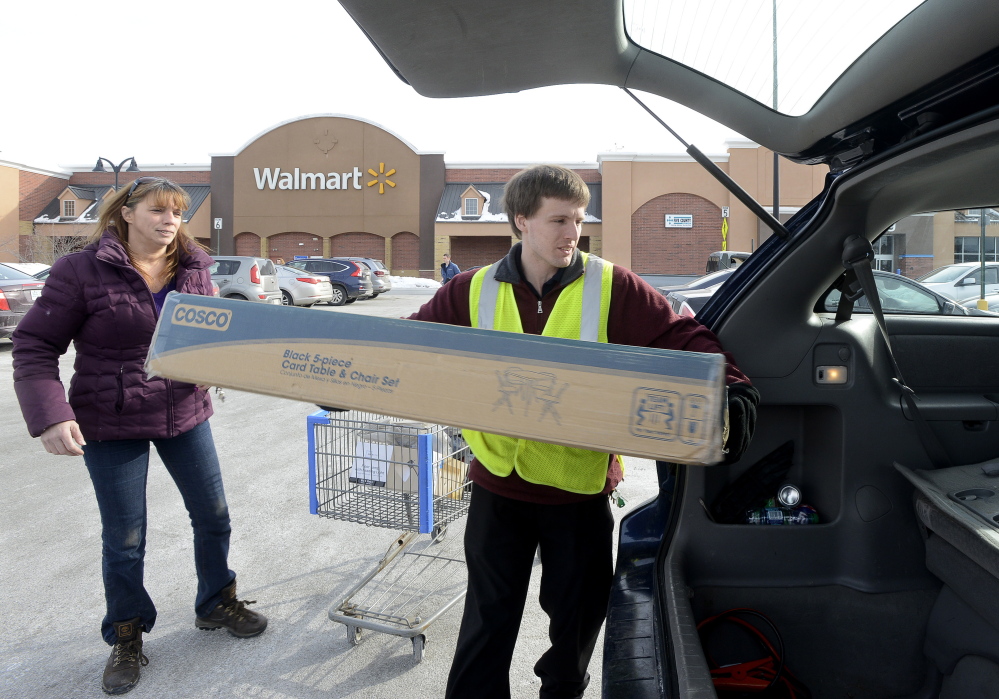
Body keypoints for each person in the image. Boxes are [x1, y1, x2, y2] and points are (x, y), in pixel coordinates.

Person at [408, 165, 759, 699]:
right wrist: (345, 376)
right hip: (499, 487)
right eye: (558, 220)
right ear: (521, 222)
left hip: (578, 491)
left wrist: (728, 382)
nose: (573, 232)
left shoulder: (610, 285)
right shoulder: (470, 290)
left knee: (574, 627)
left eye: (577, 219)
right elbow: (401, 346)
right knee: (487, 623)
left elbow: (679, 333)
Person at [12, 177, 267, 696]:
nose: (170, 220)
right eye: (158, 210)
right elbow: (35, 345)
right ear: (126, 214)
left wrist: (224, 361)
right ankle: (126, 632)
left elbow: (215, 333)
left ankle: (216, 601)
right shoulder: (80, 270)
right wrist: (51, 415)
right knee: (125, 538)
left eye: (177, 212)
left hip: (186, 412)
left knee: (213, 515)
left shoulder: (195, 269)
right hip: (111, 419)